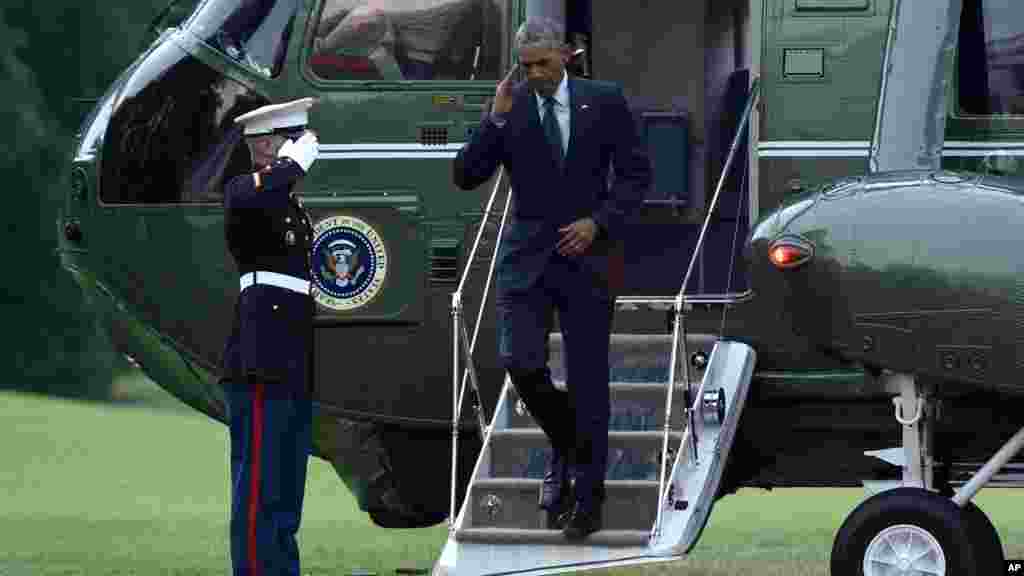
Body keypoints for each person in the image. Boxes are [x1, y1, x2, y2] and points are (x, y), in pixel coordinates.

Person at [452, 17, 646, 540]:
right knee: (521, 363)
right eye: (526, 65)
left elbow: (636, 177)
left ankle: (587, 499)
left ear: (566, 54)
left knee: (588, 381)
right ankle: (569, 445)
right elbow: (465, 174)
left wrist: (597, 223)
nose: (534, 74)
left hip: (588, 258)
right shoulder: (510, 106)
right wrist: (493, 121)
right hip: (526, 258)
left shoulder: (604, 100)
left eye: (543, 63)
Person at [221, 97, 320, 575]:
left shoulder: (287, 204)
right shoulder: (246, 191)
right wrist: (291, 165)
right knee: (258, 483)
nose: (301, 151)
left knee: (285, 484)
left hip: (292, 355)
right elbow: (251, 196)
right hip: (261, 355)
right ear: (264, 146)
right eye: (291, 140)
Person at [313, 0, 480, 79]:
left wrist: (323, 46)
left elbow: (364, 15)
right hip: (426, 64)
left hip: (409, 68)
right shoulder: (468, 6)